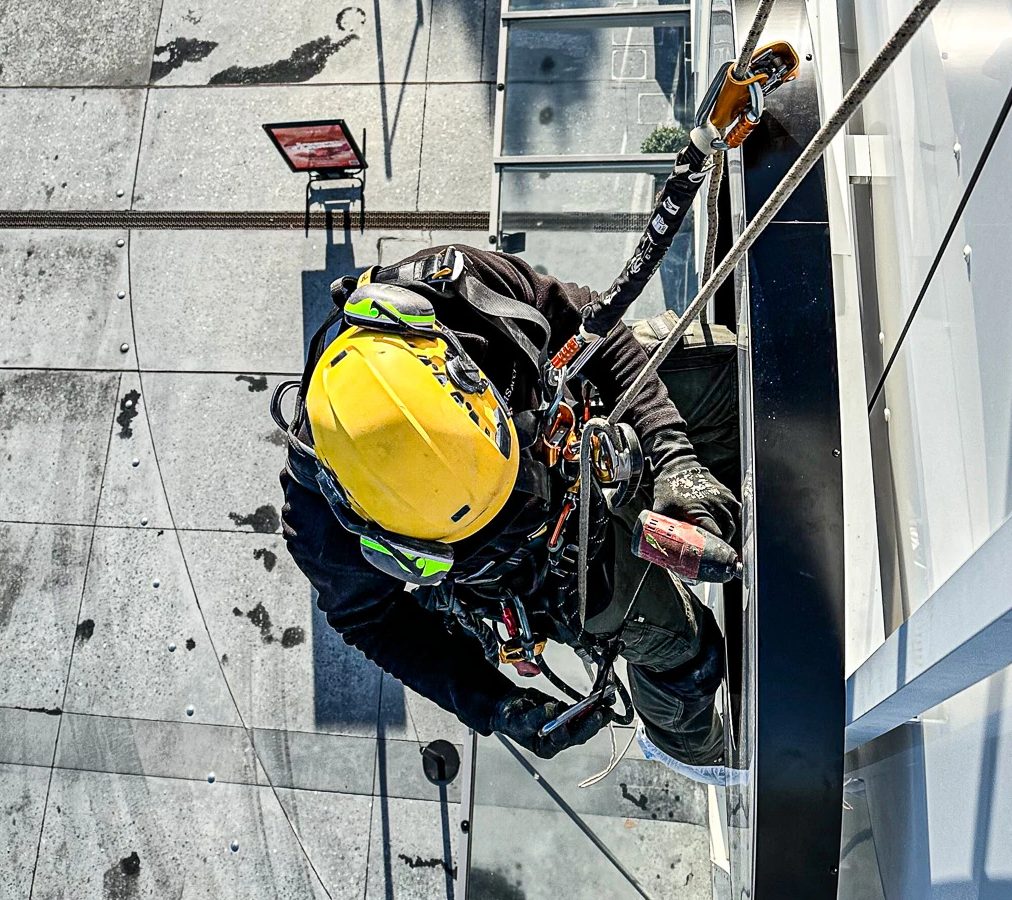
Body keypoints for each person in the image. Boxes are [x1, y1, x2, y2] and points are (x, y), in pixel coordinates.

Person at [277, 243, 742, 778]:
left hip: (580, 415)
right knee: (687, 651)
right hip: (547, 568)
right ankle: (698, 752)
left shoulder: (453, 294)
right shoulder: (320, 524)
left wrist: (672, 456)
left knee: (723, 370)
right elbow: (373, 621)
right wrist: (494, 704)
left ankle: (719, 490)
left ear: (459, 373)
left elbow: (586, 321)